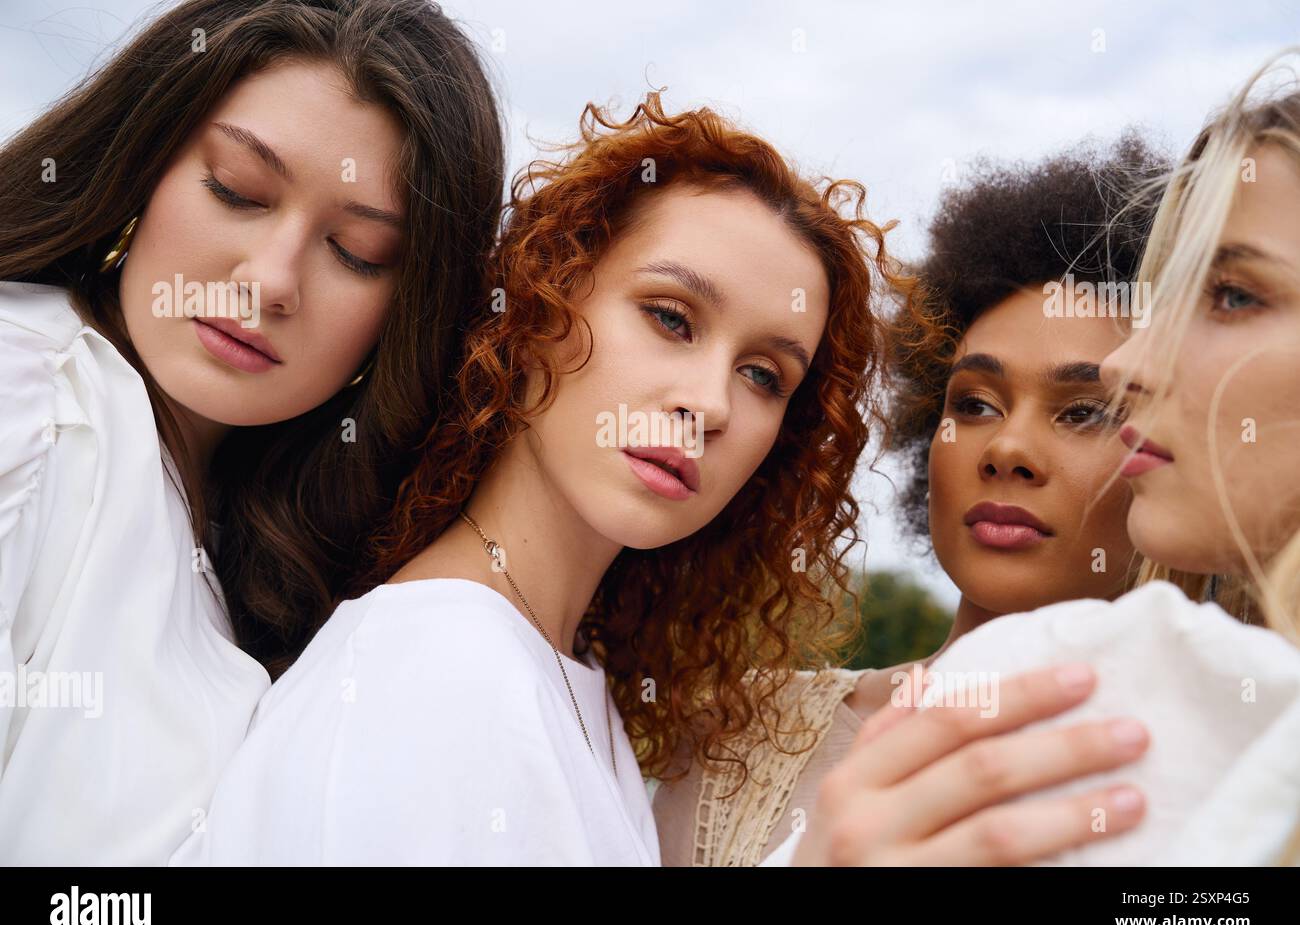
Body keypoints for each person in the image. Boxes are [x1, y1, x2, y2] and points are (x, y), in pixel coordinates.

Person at [172, 94, 1149, 865]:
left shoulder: (558, 680)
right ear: (540, 305)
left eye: (764, 373)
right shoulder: (445, 664)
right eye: (672, 316)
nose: (710, 401)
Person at [0, 0, 504, 864]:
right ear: (144, 161)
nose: (269, 280)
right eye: (237, 190)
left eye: (356, 253)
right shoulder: (32, 395)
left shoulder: (275, 556)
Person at [653, 134, 1167, 865]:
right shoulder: (742, 736)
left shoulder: (1233, 768)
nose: (1007, 451)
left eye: (1083, 410)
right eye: (977, 403)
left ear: (1173, 451)